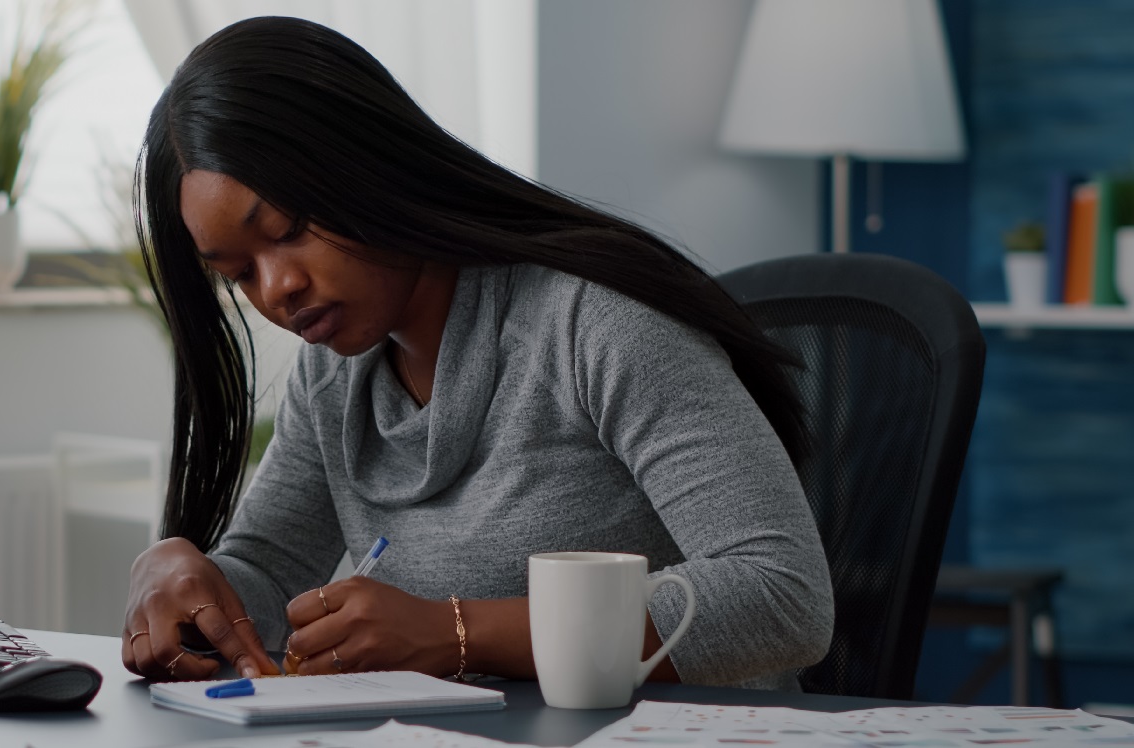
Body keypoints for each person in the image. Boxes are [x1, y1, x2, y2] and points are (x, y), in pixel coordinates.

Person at [119, 16, 834, 691]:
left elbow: (783, 596)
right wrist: (184, 588)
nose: (278, 288)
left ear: (367, 162)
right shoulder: (334, 377)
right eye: (239, 273)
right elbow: (266, 577)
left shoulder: (598, 324)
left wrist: (457, 632)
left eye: (289, 228)